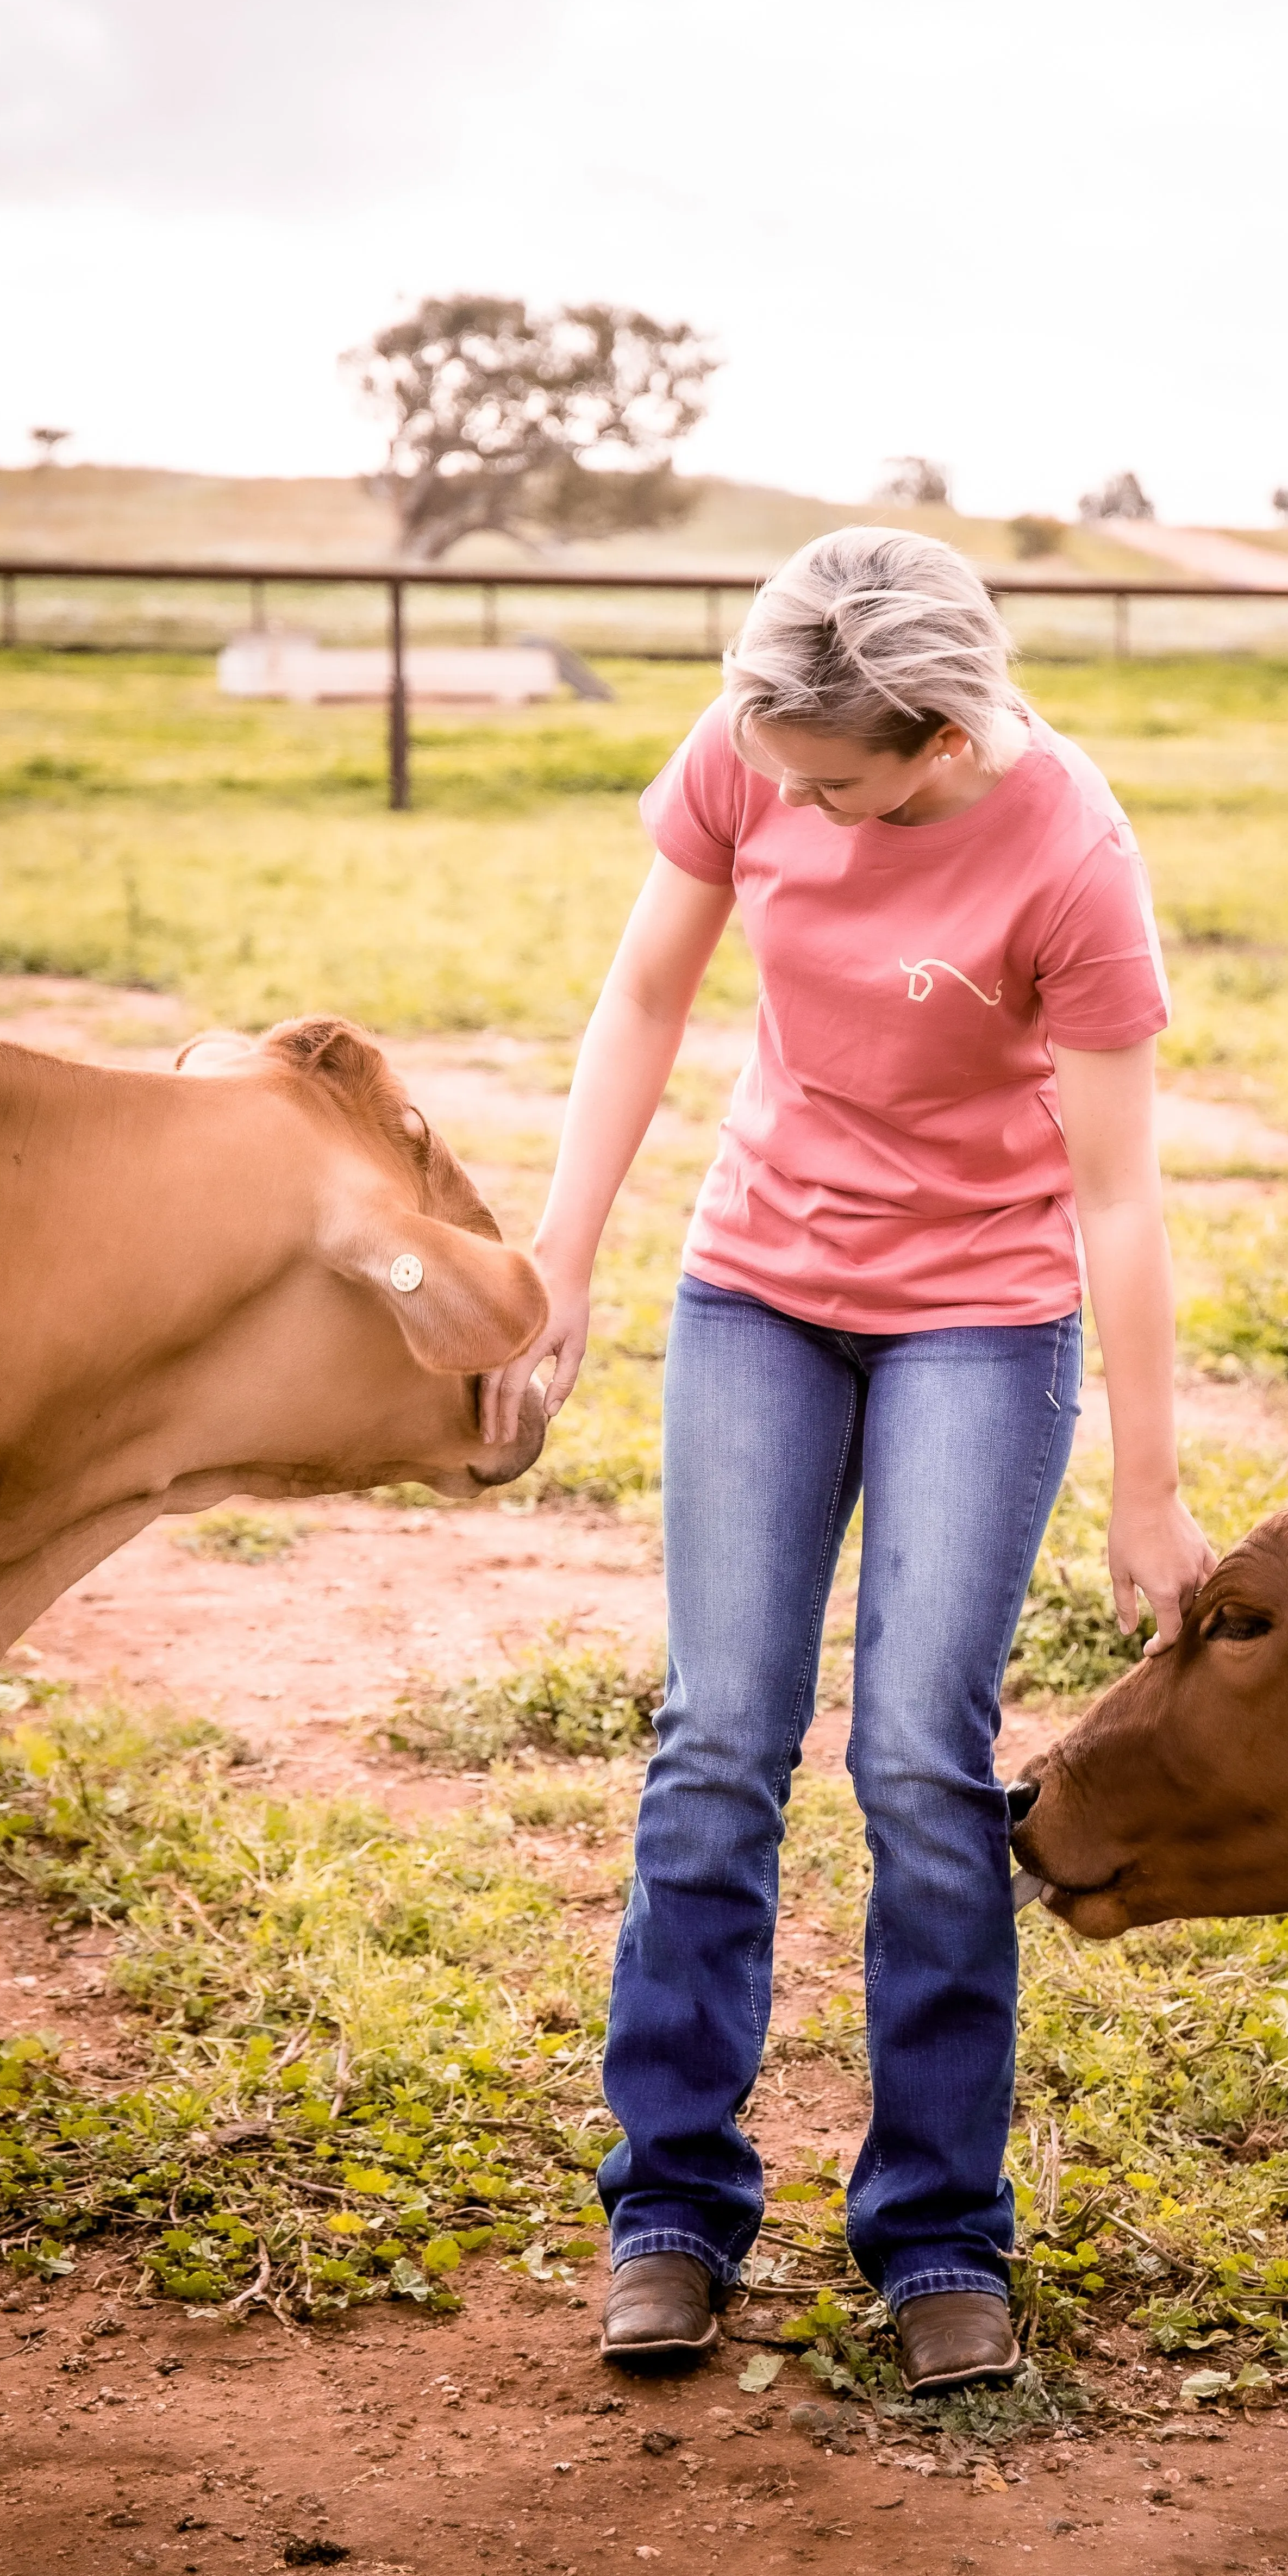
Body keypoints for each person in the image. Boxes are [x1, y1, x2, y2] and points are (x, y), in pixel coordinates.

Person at [483, 527, 1213, 2394]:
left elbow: (1119, 1195)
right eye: (774, 773)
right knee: (720, 1738)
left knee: (913, 1754)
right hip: (759, 1291)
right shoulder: (749, 739)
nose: (787, 802)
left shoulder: (1071, 853)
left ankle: (941, 2229)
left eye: (834, 787)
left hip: (979, 1310)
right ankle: (670, 2208)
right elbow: (645, 997)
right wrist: (558, 1267)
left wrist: (1150, 1480)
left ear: (945, 740)